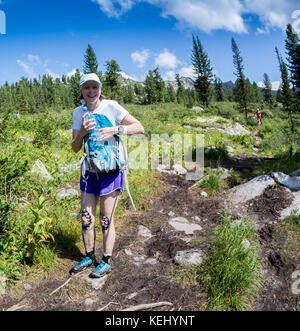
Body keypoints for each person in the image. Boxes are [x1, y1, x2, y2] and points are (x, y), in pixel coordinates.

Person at [70, 73, 144, 278]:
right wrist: (83, 132)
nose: (91, 92)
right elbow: (75, 147)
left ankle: (106, 260)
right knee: (86, 218)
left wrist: (116, 129)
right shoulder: (78, 112)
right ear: (81, 91)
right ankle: (89, 256)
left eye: (95, 87)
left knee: (105, 219)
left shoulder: (111, 107)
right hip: (89, 171)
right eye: (87, 88)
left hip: (111, 171)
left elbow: (140, 127)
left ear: (100, 89)